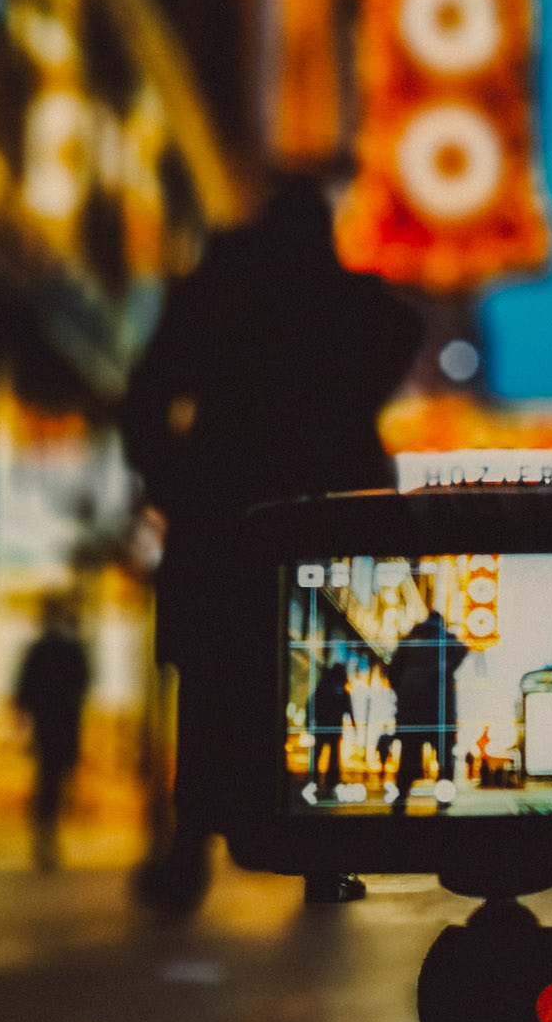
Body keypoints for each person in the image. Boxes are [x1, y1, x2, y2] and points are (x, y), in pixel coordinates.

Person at [120, 178, 423, 913]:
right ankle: (321, 860)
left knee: (212, 682)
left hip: (224, 509)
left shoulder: (219, 298)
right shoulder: (353, 309)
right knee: (321, 676)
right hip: (322, 516)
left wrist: (170, 477)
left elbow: (146, 394)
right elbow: (399, 334)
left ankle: (190, 848)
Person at [14, 599, 91, 871]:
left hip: (46, 724)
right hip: (65, 723)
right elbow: (84, 683)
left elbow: (24, 687)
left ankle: (43, 838)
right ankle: (49, 838)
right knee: (56, 779)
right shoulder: (73, 649)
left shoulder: (40, 649)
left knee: (46, 778)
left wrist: (22, 717)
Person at [386, 608, 469, 813]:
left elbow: (392, 671)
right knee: (444, 758)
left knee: (408, 755)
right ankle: (443, 799)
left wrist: (405, 691)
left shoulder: (409, 640)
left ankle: (401, 799)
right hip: (440, 710)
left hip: (411, 708)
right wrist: (444, 672)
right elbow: (463, 649)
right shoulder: (447, 640)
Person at [311, 660, 352, 800]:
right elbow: (348, 708)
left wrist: (310, 721)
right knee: (333, 758)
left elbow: (312, 703)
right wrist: (354, 725)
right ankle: (330, 784)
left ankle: (315, 782)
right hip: (334, 728)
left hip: (322, 726)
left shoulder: (322, 687)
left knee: (318, 755)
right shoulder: (342, 689)